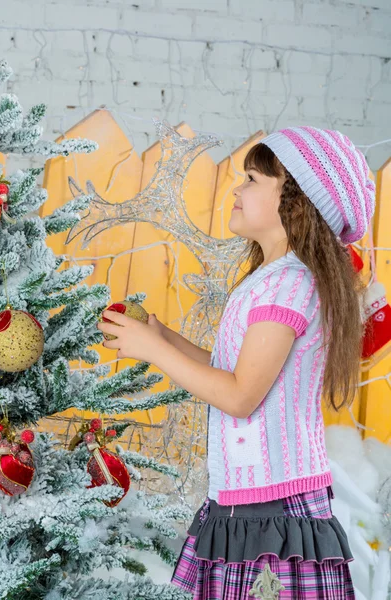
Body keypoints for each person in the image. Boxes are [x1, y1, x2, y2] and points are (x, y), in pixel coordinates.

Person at [98, 126, 375, 599]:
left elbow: (241, 396)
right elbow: (235, 373)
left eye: (251, 179)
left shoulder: (289, 285)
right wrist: (163, 336)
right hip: (245, 500)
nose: (236, 188)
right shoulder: (271, 279)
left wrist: (154, 350)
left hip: (275, 510)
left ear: (296, 199)